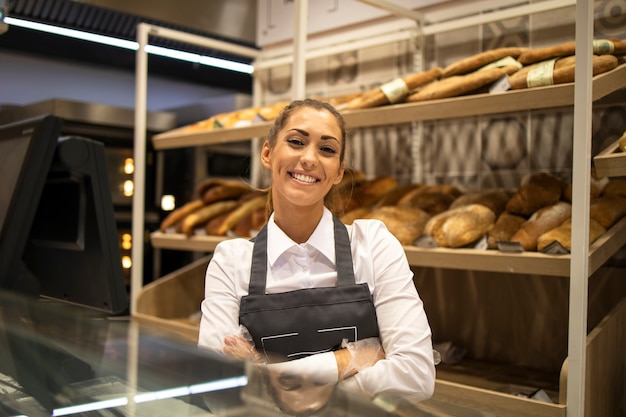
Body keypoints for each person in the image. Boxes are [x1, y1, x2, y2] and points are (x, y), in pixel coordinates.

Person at [198, 98, 435, 414]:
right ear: (268, 153)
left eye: (327, 150)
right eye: (296, 142)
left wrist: (270, 376)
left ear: (339, 171)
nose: (309, 158)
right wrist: (353, 358)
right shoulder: (231, 261)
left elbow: (417, 375)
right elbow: (217, 389)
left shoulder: (373, 244)